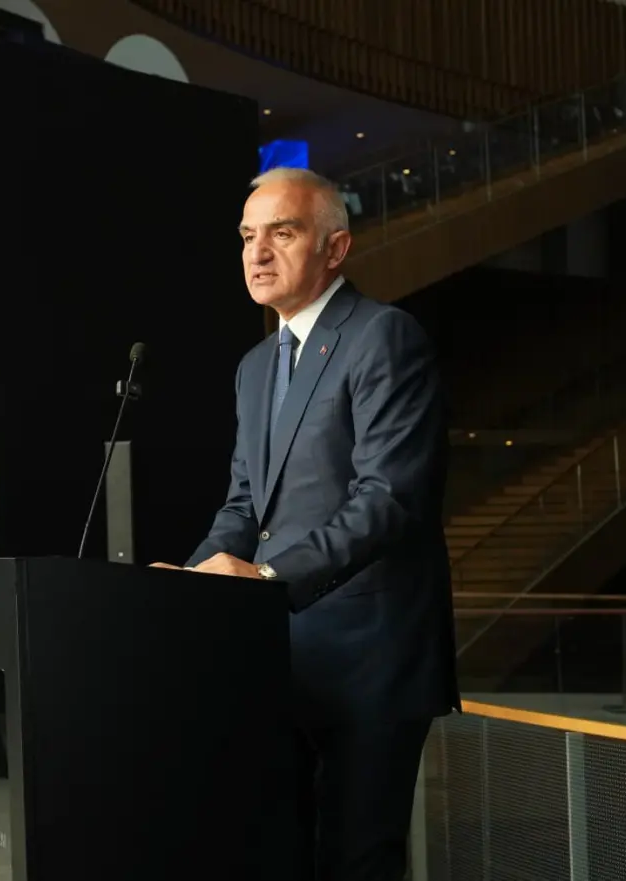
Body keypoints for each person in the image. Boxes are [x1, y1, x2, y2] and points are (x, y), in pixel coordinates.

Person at [154, 167, 459, 881]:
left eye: (282, 233)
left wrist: (266, 576)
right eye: (246, 236)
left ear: (335, 247)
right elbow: (244, 505)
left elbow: (389, 498)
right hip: (278, 663)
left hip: (369, 662)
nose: (257, 253)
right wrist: (189, 585)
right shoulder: (256, 366)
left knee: (356, 861)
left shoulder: (384, 336)